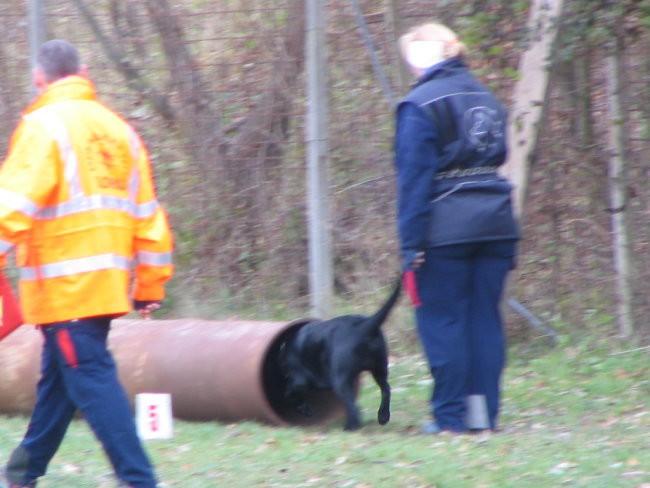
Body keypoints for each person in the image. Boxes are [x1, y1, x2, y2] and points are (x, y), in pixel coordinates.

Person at [0, 40, 173, 487]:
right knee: (58, 384)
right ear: (85, 71)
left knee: (93, 383)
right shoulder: (122, 133)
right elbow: (149, 218)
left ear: (39, 77)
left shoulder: (44, 126)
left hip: (66, 289)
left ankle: (139, 480)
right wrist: (149, 285)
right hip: (104, 287)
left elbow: (13, 205)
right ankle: (21, 474)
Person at [394, 23, 520, 434]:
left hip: (445, 228)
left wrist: (411, 244)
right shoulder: (486, 96)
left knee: (443, 322)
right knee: (485, 320)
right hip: (498, 221)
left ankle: (450, 419)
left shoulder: (418, 104)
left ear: (418, 60)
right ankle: (483, 418)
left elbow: (414, 181)